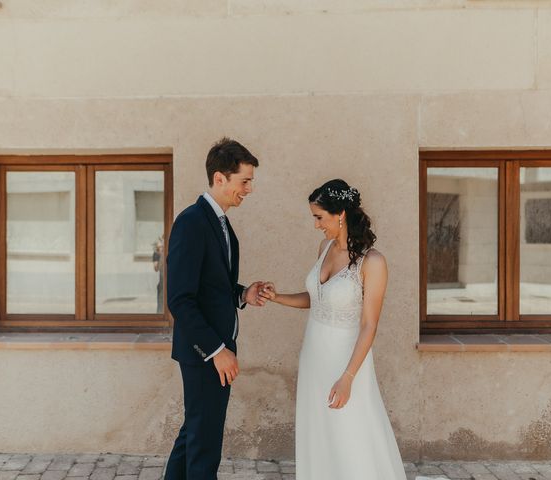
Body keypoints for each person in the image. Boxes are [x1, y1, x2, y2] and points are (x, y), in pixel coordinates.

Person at [259, 179, 407, 480]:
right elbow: (317, 300)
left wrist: (348, 377)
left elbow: (369, 325)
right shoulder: (323, 248)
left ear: (340, 214)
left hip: (348, 361)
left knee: (350, 433)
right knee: (320, 431)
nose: (316, 225)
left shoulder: (373, 262)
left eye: (319, 217)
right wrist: (277, 298)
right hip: (314, 355)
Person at [164, 138, 266, 480]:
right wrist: (217, 350)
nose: (249, 189)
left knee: (194, 435)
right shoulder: (192, 223)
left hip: (215, 349)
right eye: (244, 181)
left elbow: (211, 287)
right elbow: (180, 299)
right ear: (220, 178)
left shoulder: (220, 223)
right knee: (205, 447)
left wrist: (243, 295)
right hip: (204, 353)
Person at [152, 235, 164, 314]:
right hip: (162, 283)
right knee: (160, 308)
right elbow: (156, 268)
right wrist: (161, 255)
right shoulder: (157, 253)